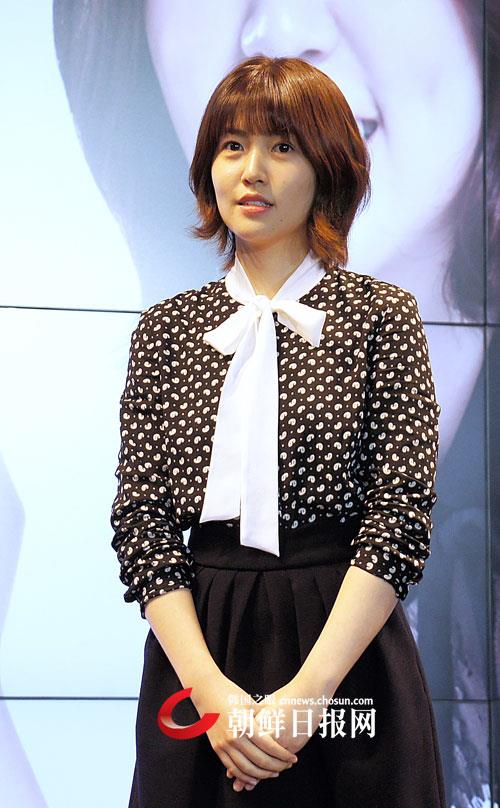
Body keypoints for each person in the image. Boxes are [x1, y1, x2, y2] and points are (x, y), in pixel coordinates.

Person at [110, 56, 445, 807]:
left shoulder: (382, 317)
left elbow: (398, 515)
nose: (251, 170)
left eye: (282, 146)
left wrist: (307, 696)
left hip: (344, 653)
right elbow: (141, 524)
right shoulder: (166, 330)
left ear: (329, 166)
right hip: (200, 651)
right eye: (232, 146)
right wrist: (212, 696)